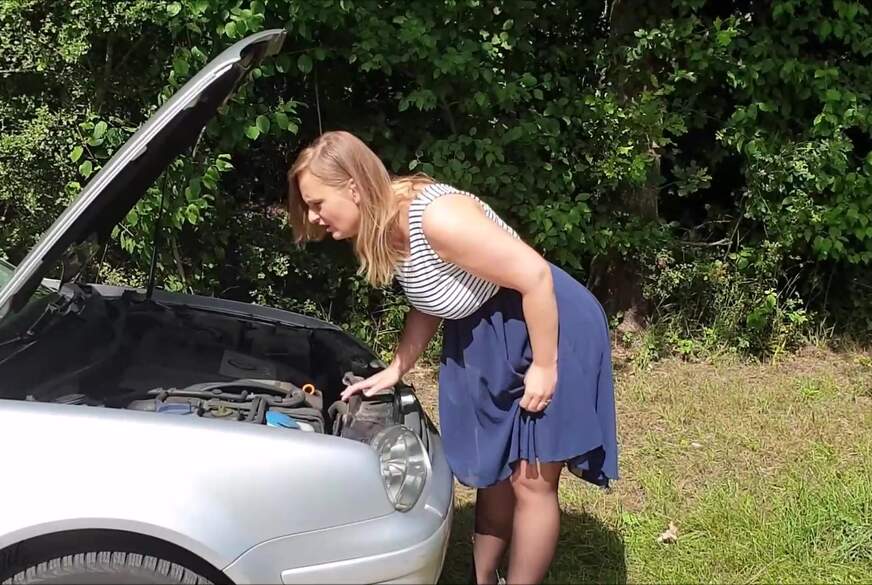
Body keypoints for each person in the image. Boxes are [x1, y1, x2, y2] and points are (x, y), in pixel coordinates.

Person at [285, 130, 618, 585]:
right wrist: (397, 367)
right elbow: (429, 299)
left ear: (354, 188)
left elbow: (535, 276)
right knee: (494, 470)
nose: (313, 216)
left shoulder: (438, 219)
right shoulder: (387, 224)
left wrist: (545, 365)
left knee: (531, 479)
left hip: (546, 323)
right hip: (486, 329)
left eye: (317, 203)